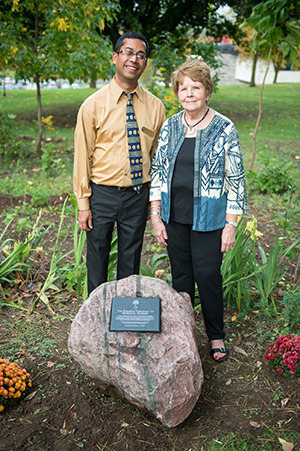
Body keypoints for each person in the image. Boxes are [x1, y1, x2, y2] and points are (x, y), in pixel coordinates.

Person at [149, 59, 247, 362]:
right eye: (183, 87)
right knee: (181, 278)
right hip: (174, 216)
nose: (189, 93)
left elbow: (237, 178)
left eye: (196, 87)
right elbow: (157, 171)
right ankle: (185, 334)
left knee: (207, 276)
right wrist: (155, 215)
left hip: (209, 219)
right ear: (177, 92)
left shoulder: (223, 128)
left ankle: (215, 336)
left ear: (207, 91)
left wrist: (231, 224)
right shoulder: (171, 126)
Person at [74, 31, 165, 295]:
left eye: (140, 55)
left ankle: (125, 318)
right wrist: (83, 205)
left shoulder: (156, 107)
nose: (133, 59)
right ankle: (96, 320)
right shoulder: (92, 106)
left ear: (145, 63)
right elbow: (82, 158)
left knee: (130, 260)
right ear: (115, 57)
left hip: (138, 194)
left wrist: (155, 201)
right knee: (97, 259)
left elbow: (157, 158)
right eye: (128, 52)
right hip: (101, 193)